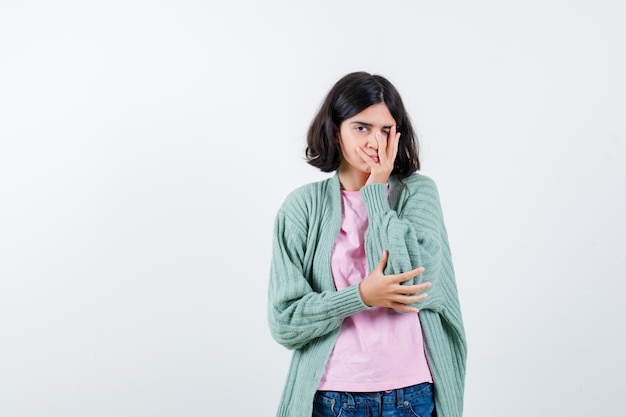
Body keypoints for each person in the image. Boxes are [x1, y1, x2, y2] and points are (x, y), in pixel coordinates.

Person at [267, 71, 466, 417]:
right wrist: (359, 297)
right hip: (332, 397)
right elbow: (286, 320)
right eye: (362, 128)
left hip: (411, 396)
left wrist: (376, 190)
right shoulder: (302, 207)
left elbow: (412, 283)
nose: (375, 142)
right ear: (335, 130)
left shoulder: (418, 194)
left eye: (385, 129)